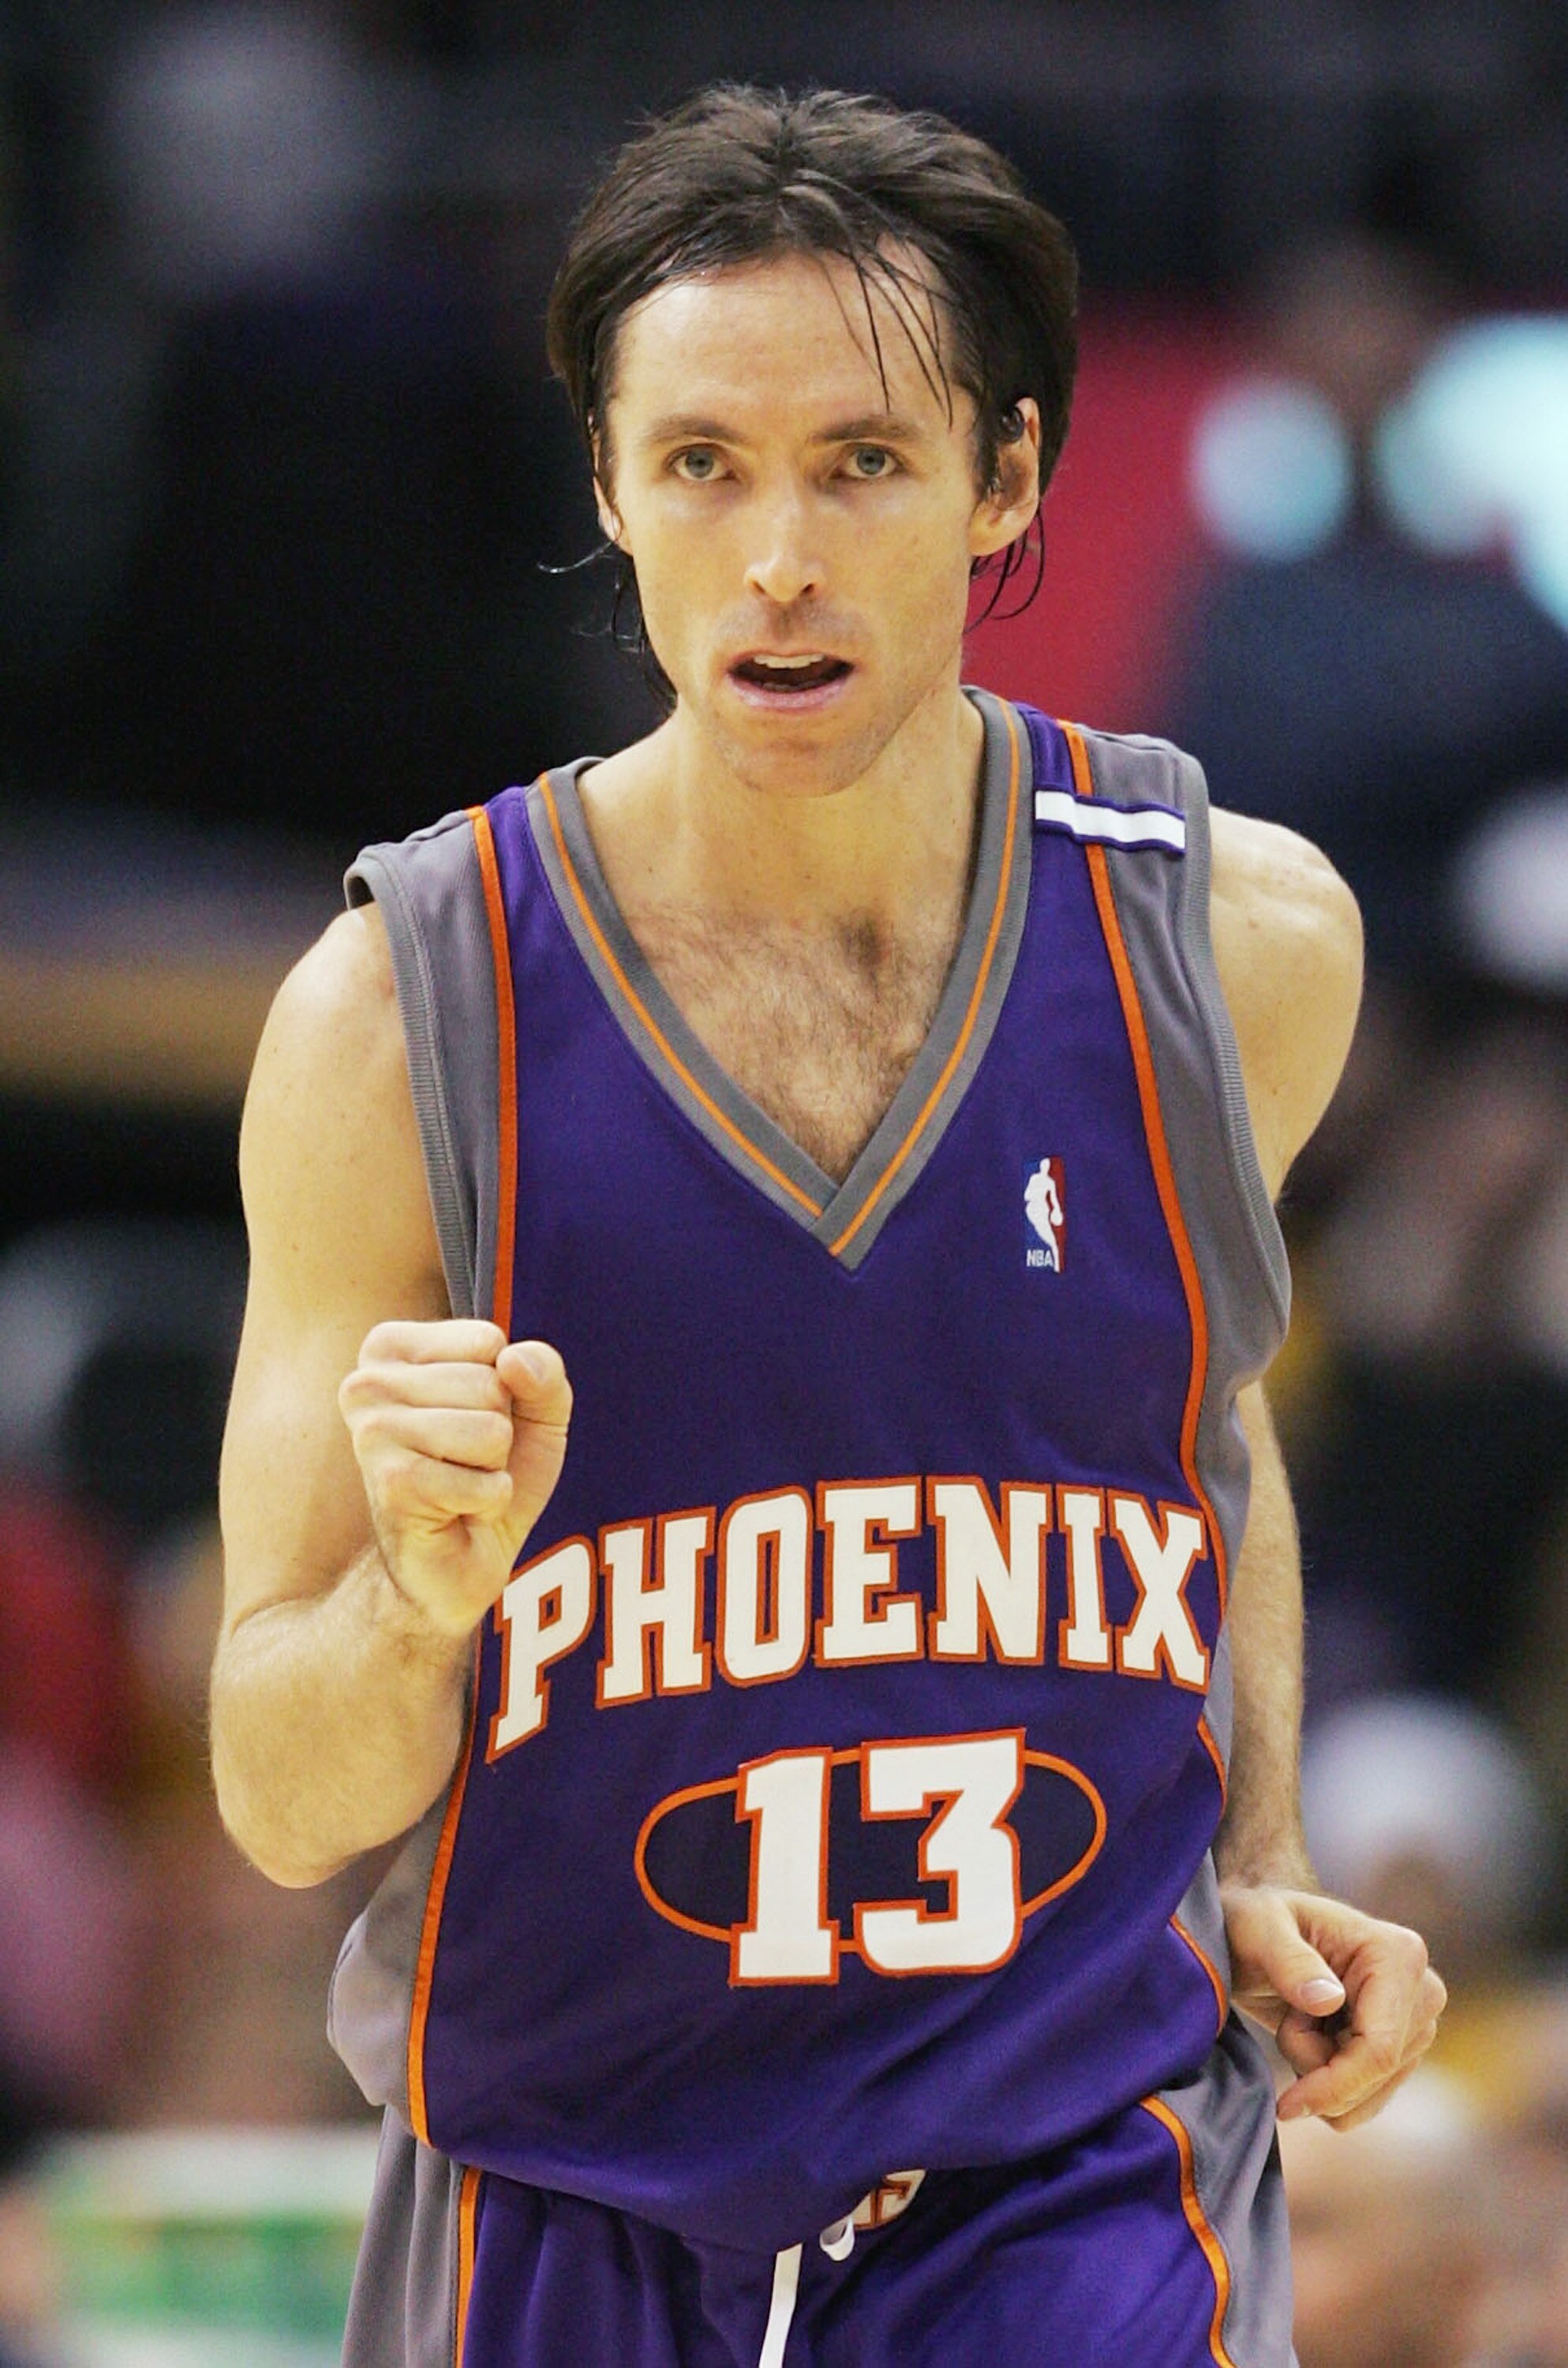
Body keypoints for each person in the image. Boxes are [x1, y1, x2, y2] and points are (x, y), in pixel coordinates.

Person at [211, 85, 1446, 2368]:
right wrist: (416, 1596)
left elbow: (1207, 1440)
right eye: (701, 464)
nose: (776, 553)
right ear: (606, 484)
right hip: (566, 2180)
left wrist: (1257, 1853)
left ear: (1004, 481)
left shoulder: (1236, 940)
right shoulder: (403, 1012)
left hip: (1073, 2174)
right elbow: (281, 1798)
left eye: (859, 462)